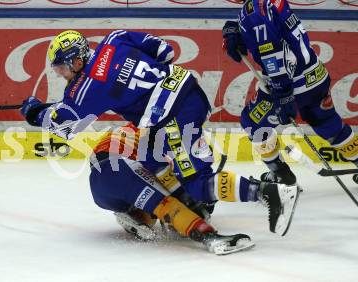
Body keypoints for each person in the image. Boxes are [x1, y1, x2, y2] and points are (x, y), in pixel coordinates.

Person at [20, 29, 300, 253]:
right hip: (189, 93)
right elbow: (165, 51)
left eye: (61, 68)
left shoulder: (89, 86)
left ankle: (269, 192)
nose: (60, 74)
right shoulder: (116, 38)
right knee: (152, 157)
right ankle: (190, 196)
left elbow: (64, 125)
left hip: (171, 116)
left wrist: (34, 111)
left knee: (199, 183)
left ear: (76, 61)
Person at [222, 0, 358, 185]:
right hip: (316, 76)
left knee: (252, 122)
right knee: (328, 123)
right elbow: (276, 33)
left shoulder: (254, 10)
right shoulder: (270, 2)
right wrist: (238, 30)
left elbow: (272, 53)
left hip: (291, 84)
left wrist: (283, 93)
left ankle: (280, 173)